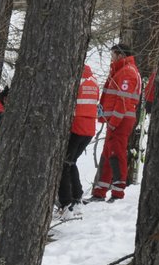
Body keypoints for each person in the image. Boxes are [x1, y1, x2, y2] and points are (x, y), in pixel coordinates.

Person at [91, 43, 141, 201]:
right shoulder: (121, 71)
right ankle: (100, 191)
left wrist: (114, 121)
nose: (111, 59)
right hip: (116, 119)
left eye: (113, 55)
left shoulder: (127, 72)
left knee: (117, 154)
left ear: (120, 55)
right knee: (108, 153)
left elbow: (123, 101)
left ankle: (118, 192)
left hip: (121, 120)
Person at [59, 64, 102, 210]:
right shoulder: (94, 81)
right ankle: (77, 196)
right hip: (89, 129)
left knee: (64, 164)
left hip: (77, 126)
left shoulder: (76, 81)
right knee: (71, 162)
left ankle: (66, 202)